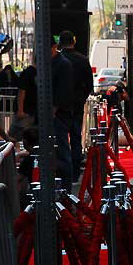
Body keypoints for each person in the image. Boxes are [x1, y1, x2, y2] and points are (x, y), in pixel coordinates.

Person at [59, 30, 94, 182]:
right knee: (75, 137)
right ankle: (74, 172)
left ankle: (64, 172)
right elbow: (89, 84)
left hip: (61, 107)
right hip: (77, 105)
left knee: (61, 140)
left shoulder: (58, 60)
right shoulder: (83, 59)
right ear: (73, 41)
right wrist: (81, 98)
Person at [51, 37, 76, 189]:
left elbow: (63, 91)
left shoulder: (63, 64)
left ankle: (66, 188)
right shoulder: (58, 63)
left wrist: (54, 110)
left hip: (60, 114)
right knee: (61, 151)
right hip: (59, 113)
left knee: (62, 151)